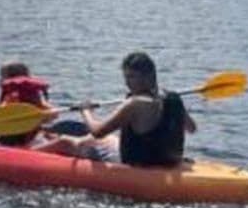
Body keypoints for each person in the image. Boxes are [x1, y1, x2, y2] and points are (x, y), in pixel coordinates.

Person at [35, 51, 196, 166]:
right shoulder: (173, 97)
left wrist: (86, 111)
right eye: (126, 77)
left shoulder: (134, 103)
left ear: (149, 76)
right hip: (169, 160)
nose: (127, 82)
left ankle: (21, 155)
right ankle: (48, 136)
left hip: (139, 164)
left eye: (132, 77)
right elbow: (191, 128)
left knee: (66, 142)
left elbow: (97, 132)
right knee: (102, 140)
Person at [0, 61, 56, 146]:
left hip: (20, 142)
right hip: (32, 137)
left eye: (1, 76)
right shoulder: (32, 93)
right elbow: (53, 114)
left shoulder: (11, 95)